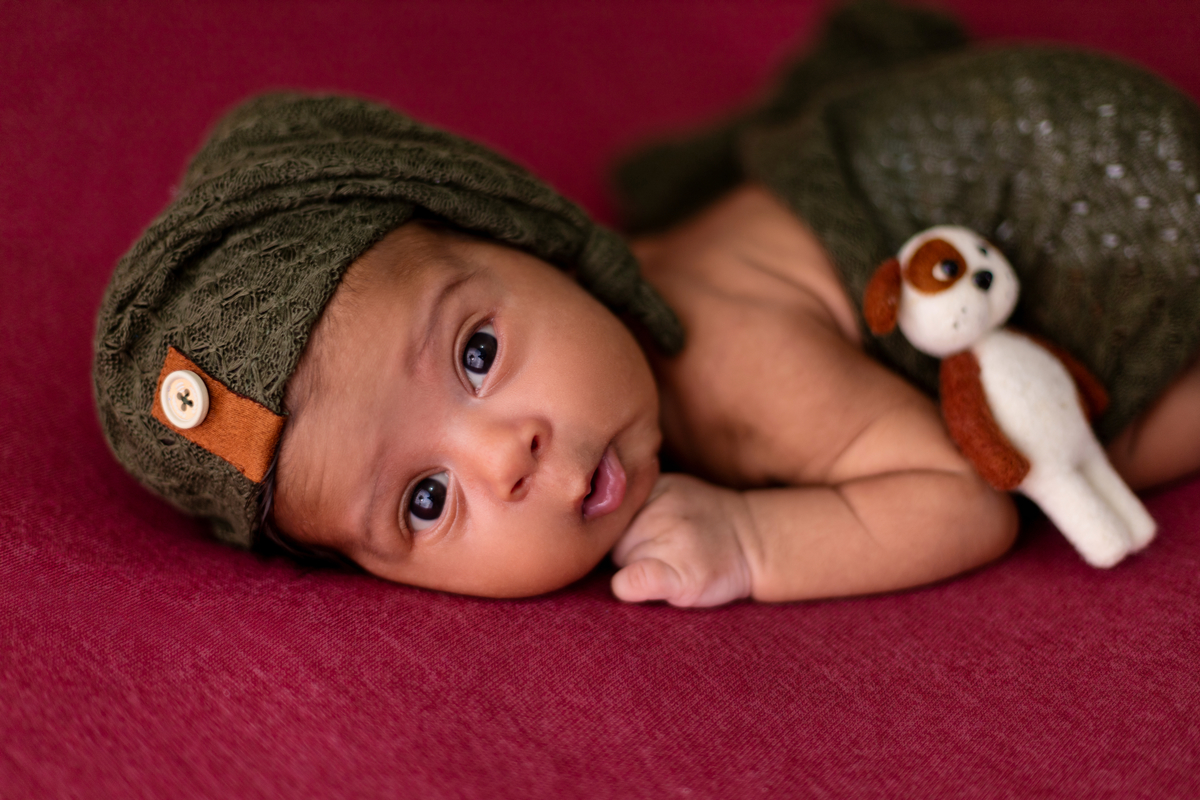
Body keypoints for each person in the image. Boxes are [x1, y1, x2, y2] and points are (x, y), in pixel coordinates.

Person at [94, 1, 1200, 606]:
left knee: (1084, 449)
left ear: (532, 241)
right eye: (424, 503)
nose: (507, 456)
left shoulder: (730, 365)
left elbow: (961, 501)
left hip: (1095, 201)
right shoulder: (616, 360)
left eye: (477, 351)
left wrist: (754, 536)